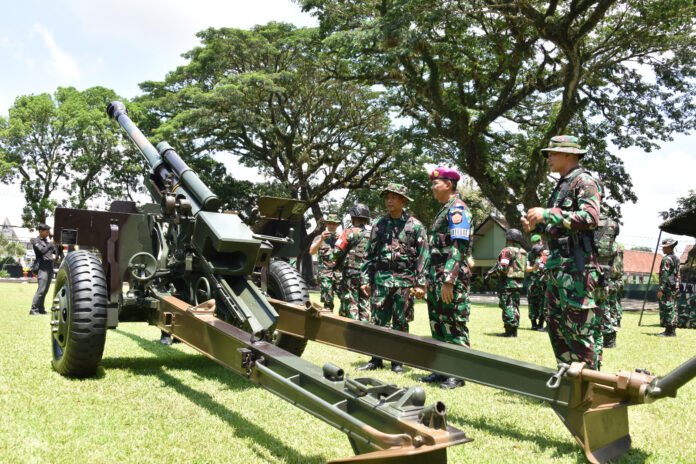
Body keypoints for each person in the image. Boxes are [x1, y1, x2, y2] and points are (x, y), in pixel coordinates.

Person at [522, 135, 603, 371]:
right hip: (558, 267)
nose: (548, 158)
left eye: (552, 153)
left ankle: (589, 387)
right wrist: (536, 226)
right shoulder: (562, 185)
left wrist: (548, 213)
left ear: (568, 154)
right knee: (557, 328)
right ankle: (568, 382)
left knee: (579, 330)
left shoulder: (584, 181)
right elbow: (559, 227)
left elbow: (590, 218)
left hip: (577, 269)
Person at [359, 182, 428, 374]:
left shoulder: (415, 226)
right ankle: (376, 359)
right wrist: (365, 279)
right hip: (381, 280)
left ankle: (398, 362)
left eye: (393, 197)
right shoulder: (379, 224)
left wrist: (420, 283)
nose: (389, 201)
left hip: (404, 282)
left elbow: (423, 256)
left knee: (401, 321)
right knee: (378, 321)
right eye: (387, 197)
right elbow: (369, 254)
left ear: (403, 200)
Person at [422, 167, 472, 389]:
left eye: (436, 183)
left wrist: (449, 279)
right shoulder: (444, 210)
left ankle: (458, 373)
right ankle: (441, 370)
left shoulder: (458, 209)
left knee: (453, 323)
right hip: (436, 276)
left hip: (449, 278)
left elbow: (459, 246)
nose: (433, 187)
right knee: (438, 323)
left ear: (449, 185)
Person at [332, 203, 371, 322]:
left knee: (351, 301)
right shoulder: (371, 234)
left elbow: (336, 252)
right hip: (367, 274)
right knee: (365, 303)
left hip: (351, 272)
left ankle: (354, 332)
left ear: (353, 216)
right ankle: (367, 330)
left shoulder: (348, 232)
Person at [487, 228, 527, 337]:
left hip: (508, 283)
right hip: (519, 283)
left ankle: (509, 331)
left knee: (508, 305)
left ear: (509, 238)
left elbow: (503, 267)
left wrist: (493, 274)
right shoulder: (523, 252)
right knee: (515, 306)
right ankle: (514, 331)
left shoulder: (507, 250)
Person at [594, 216, 621, 349]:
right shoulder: (615, 246)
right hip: (607, 275)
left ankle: (603, 336)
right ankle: (609, 339)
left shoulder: (588, 221)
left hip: (591, 272)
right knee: (604, 308)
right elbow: (617, 269)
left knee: (596, 308)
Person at [309, 213, 342, 311]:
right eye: (330, 223)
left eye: (334, 223)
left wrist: (341, 238)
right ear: (326, 224)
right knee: (327, 302)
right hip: (325, 274)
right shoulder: (319, 238)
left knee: (346, 299)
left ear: (337, 225)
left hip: (339, 273)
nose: (332, 225)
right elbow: (311, 251)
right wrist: (322, 239)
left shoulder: (342, 238)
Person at [29, 223, 58, 316]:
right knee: (41, 289)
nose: (48, 233)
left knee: (45, 290)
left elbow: (55, 252)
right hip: (42, 267)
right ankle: (33, 310)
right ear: (41, 231)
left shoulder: (47, 241)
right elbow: (42, 251)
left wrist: (56, 245)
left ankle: (41, 309)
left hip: (49, 267)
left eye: (48, 231)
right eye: (46, 231)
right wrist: (51, 244)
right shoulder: (35, 241)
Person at [657, 238, 680, 337]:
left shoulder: (666, 259)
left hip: (668, 288)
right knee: (673, 307)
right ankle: (672, 330)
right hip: (675, 286)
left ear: (670, 247)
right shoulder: (677, 258)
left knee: (668, 307)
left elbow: (664, 275)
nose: (662, 249)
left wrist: (661, 289)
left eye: (664, 247)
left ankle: (669, 331)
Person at [526, 234, 547, 331]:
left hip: (543, 283)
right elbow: (526, 269)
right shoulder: (529, 255)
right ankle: (534, 324)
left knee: (543, 304)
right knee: (532, 303)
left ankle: (541, 324)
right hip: (533, 283)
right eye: (537, 242)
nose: (539, 243)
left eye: (539, 241)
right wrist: (534, 267)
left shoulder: (546, 254)